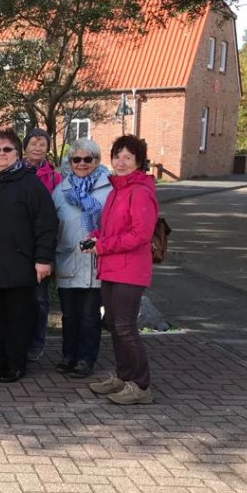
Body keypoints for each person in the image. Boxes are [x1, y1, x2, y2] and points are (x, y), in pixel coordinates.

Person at [0, 130, 57, 383]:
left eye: (7, 149)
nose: (1, 154)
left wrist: (43, 258)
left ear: (17, 153)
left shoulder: (30, 185)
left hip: (19, 265)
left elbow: (46, 223)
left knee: (18, 318)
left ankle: (16, 364)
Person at [83, 135, 159, 405]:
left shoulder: (140, 191)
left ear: (139, 161)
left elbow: (140, 235)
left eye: (128, 157)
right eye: (117, 156)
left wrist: (103, 245)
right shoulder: (117, 190)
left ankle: (140, 385)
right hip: (112, 268)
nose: (121, 162)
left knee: (126, 328)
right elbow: (110, 229)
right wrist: (94, 238)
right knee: (114, 325)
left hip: (130, 270)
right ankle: (123, 376)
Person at [52, 139, 112, 379]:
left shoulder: (108, 188)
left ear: (97, 161)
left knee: (89, 315)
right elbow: (52, 226)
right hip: (68, 258)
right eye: (76, 159)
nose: (82, 164)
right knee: (69, 315)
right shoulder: (61, 191)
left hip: (96, 262)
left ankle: (86, 359)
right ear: (70, 162)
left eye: (88, 159)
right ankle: (69, 356)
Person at [22, 128, 63, 362]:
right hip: (18, 245)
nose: (38, 148)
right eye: (33, 143)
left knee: (39, 297)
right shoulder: (14, 171)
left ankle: (36, 341)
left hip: (41, 246)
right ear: (25, 146)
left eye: (42, 144)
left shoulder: (55, 178)